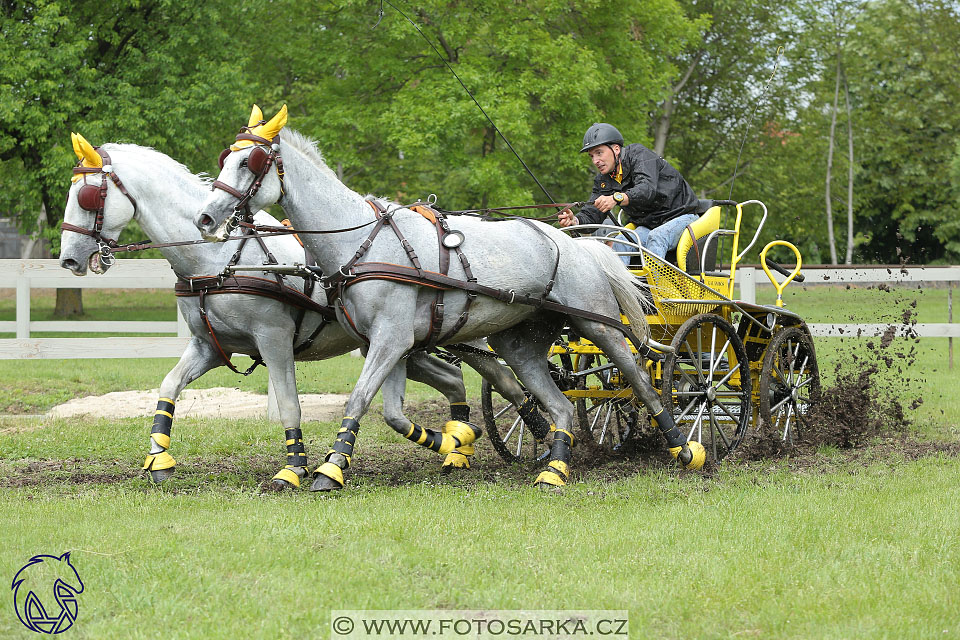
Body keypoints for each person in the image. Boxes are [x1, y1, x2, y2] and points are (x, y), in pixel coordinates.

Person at [558, 123, 701, 264]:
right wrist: (575, 221)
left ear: (616, 149)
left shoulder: (640, 155)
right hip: (650, 225)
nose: (595, 161)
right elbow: (592, 214)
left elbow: (646, 189)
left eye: (599, 153)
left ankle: (656, 281)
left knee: (657, 237)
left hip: (682, 216)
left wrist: (616, 198)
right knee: (620, 242)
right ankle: (622, 281)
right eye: (592, 156)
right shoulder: (603, 180)